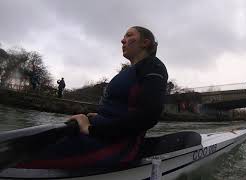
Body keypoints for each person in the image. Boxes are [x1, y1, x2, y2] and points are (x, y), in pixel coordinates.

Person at [16, 26, 168, 169]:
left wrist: (92, 129)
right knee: (31, 144)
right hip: (102, 135)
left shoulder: (153, 66)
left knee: (24, 159)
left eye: (129, 35)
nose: (122, 40)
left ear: (145, 43)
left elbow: (148, 115)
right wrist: (102, 117)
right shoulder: (128, 71)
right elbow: (122, 105)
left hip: (118, 147)